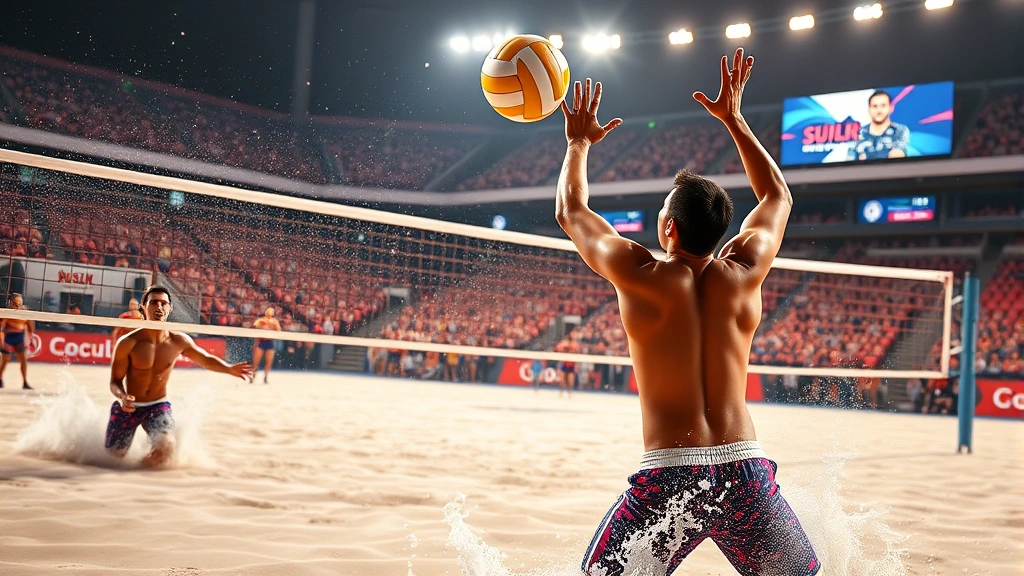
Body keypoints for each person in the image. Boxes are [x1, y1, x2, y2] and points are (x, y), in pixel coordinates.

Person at [559, 49, 819, 575]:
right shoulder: (744, 271)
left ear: (670, 228)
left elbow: (572, 212)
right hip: (744, 469)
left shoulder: (643, 274)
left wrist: (579, 143)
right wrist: (735, 119)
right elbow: (778, 195)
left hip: (673, 477)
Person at [107, 286, 253, 468]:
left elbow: (205, 359)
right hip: (128, 406)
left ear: (170, 308)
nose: (159, 307)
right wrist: (122, 396)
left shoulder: (178, 341)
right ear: (144, 307)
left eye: (163, 303)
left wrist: (229, 369)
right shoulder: (127, 342)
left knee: (166, 449)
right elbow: (115, 381)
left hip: (158, 406)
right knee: (112, 457)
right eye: (153, 303)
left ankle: (135, 474)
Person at [852, 90, 910, 161]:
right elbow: (851, 158)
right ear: (869, 109)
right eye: (875, 106)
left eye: (883, 106)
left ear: (891, 108)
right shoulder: (858, 133)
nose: (879, 110)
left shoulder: (900, 130)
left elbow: (897, 155)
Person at [0, 293, 34, 390]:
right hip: (8, 337)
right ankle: (0, 378)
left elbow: (30, 326)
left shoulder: (25, 313)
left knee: (23, 360)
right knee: (5, 359)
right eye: (15, 303)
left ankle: (25, 382)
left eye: (19, 303)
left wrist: (30, 335)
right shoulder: (5, 313)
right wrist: (1, 339)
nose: (17, 306)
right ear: (10, 303)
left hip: (19, 337)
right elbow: (1, 328)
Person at [252, 306, 281, 384]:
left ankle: (265, 376)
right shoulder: (260, 320)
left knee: (269, 361)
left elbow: (279, 331)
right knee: (256, 361)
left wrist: (274, 325)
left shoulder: (275, 321)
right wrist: (262, 325)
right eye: (268, 310)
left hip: (270, 342)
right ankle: (253, 374)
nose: (269, 312)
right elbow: (255, 328)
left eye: (271, 311)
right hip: (261, 341)